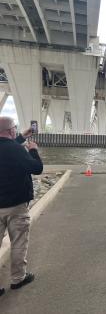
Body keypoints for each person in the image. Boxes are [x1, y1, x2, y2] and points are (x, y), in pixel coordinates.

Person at [0, 116, 43, 296]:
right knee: (18, 242)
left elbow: (7, 148)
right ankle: (18, 279)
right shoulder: (17, 150)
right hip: (15, 205)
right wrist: (33, 151)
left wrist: (21, 138)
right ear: (11, 130)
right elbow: (36, 168)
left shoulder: (13, 147)